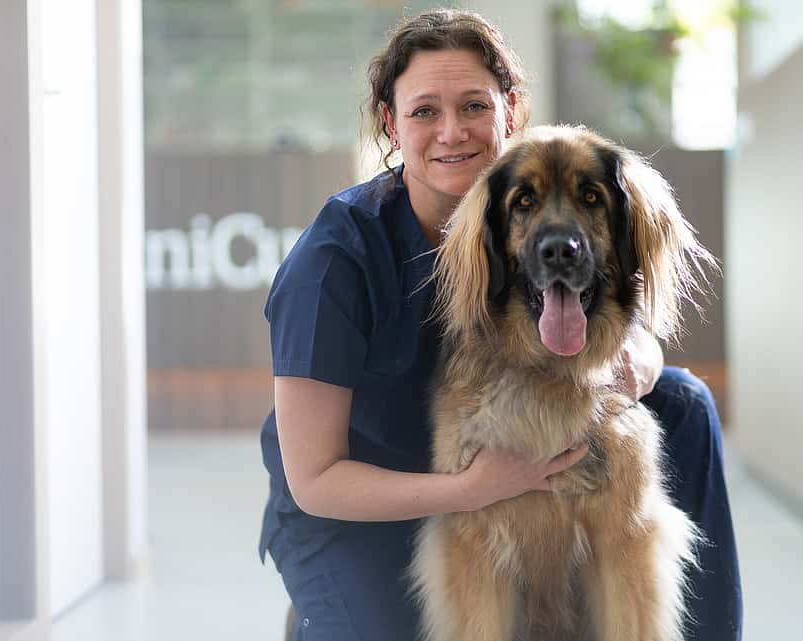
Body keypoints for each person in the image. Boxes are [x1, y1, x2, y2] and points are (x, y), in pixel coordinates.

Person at [258, 8, 742, 641]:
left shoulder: (529, 190)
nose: (452, 132)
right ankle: (318, 617)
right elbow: (316, 479)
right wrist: (471, 488)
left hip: (497, 444)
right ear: (391, 123)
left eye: (474, 106)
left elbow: (617, 293)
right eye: (425, 110)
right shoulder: (336, 262)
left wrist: (640, 353)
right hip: (365, 501)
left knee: (683, 401)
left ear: (508, 112)